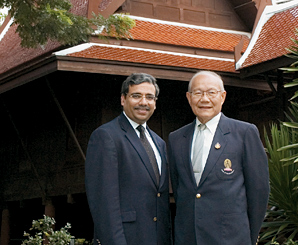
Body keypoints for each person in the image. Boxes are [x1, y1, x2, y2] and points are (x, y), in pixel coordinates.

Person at [168, 71, 269, 245]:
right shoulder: (176, 138)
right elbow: (180, 189)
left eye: (211, 93)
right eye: (198, 93)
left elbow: (258, 191)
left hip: (230, 237)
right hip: (188, 236)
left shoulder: (244, 133)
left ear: (222, 97)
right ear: (189, 97)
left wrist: (249, 236)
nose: (204, 99)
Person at [85, 73, 171, 245]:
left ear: (155, 102)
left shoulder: (159, 143)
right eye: (136, 96)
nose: (143, 102)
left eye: (149, 97)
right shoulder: (106, 136)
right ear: (123, 99)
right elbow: (104, 204)